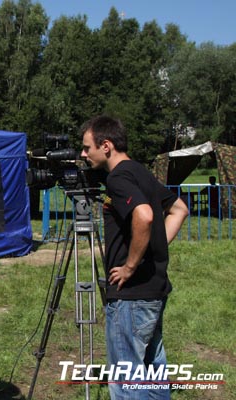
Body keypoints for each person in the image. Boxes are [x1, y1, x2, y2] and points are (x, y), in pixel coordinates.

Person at [80, 115, 189, 400]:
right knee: (152, 373)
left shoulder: (118, 178)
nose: (83, 154)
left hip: (132, 295)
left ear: (106, 146)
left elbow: (144, 215)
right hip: (153, 289)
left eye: (86, 147)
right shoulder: (139, 171)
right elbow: (179, 209)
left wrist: (129, 265)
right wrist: (155, 245)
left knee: (127, 381)